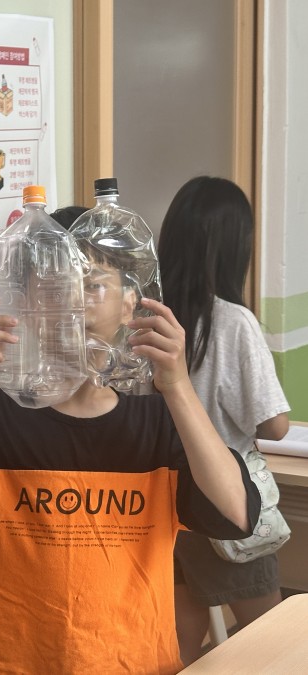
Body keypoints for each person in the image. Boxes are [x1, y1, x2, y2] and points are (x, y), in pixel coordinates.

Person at [0, 243, 261, 673]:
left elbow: (238, 514)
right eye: (55, 285)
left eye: (92, 284)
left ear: (129, 304)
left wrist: (178, 386)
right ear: (29, 307)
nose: (73, 300)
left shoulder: (157, 422)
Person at [158, 175, 290, 665]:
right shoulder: (232, 322)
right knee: (274, 647)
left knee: (177, 649)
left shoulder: (148, 317)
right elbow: (273, 425)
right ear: (235, 248)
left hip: (166, 508)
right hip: (225, 507)